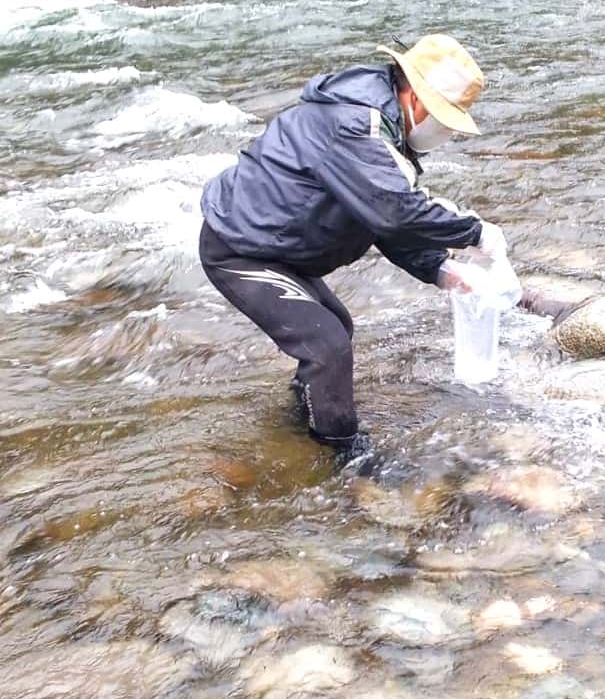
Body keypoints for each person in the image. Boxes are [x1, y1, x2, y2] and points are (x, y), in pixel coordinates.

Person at [199, 33, 509, 462]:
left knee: (334, 328)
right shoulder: (355, 125)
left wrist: (442, 270)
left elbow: (381, 220)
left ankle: (300, 424)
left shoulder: (382, 129)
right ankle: (343, 455)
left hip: (281, 250)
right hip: (241, 249)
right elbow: (397, 211)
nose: (446, 133)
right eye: (446, 120)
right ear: (417, 100)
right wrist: (476, 233)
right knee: (327, 346)